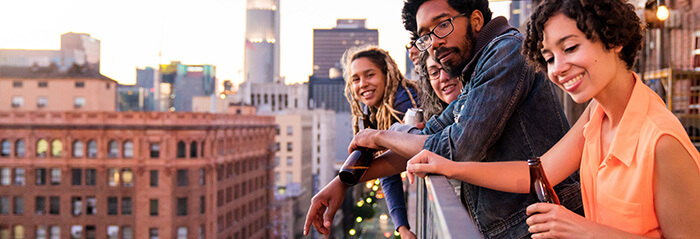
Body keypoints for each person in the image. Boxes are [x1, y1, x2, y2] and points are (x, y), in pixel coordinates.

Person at [406, 0, 700, 237]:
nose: (557, 69)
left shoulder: (661, 141)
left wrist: (582, 229)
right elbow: (536, 172)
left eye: (570, 48)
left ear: (614, 40)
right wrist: (452, 167)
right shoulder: (597, 114)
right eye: (548, 58)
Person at [304, 0, 583, 238]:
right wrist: (342, 182)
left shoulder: (506, 52)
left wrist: (378, 136)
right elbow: (425, 141)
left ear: (475, 20)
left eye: (442, 25)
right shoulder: (476, 72)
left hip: (544, 225)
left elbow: (459, 148)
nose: (434, 42)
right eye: (425, 35)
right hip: (516, 226)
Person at [341, 45, 419, 238]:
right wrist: (402, 228)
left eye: (370, 75)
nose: (362, 84)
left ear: (387, 74)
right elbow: (388, 170)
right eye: (356, 79)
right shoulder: (377, 111)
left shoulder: (402, 104)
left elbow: (420, 146)